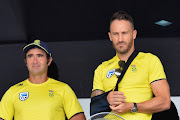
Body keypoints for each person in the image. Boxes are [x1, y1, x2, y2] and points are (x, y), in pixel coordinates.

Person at [91, 11, 171, 120]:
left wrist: (132, 106)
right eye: (115, 34)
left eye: (124, 33)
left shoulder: (150, 60)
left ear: (134, 34)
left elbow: (164, 102)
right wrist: (106, 99)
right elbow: (95, 107)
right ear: (110, 36)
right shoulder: (101, 68)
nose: (120, 39)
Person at [0, 40, 86, 120]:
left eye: (39, 56)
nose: (35, 61)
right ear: (26, 62)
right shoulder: (13, 92)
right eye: (30, 56)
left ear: (49, 61)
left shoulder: (63, 89)